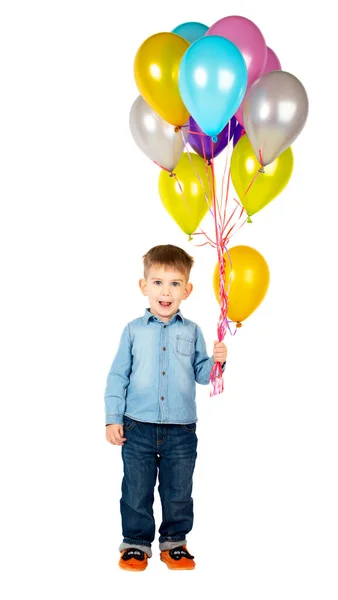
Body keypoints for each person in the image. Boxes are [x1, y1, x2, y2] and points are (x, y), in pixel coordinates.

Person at [104, 244, 227, 571]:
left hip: (181, 430)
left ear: (187, 290)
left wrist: (218, 363)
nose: (165, 291)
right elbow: (118, 376)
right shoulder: (132, 330)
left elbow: (203, 375)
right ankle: (135, 543)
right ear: (144, 287)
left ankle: (175, 542)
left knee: (178, 491)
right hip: (136, 426)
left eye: (175, 284)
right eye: (157, 282)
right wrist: (112, 418)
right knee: (136, 490)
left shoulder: (193, 331)